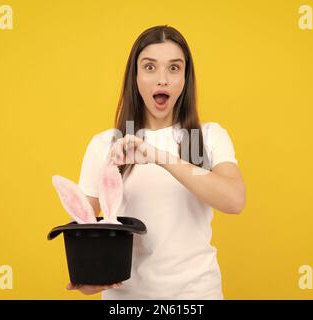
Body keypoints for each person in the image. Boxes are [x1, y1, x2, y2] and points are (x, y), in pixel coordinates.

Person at [66, 25, 246, 299]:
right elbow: (85, 225)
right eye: (150, 67)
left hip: (196, 296)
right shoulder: (105, 144)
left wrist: (159, 156)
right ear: (135, 76)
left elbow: (233, 200)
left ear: (185, 77)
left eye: (174, 68)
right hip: (127, 301)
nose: (162, 79)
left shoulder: (208, 137)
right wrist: (87, 278)